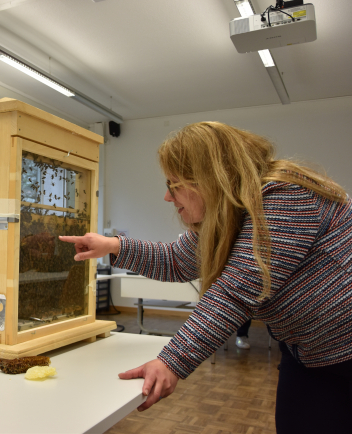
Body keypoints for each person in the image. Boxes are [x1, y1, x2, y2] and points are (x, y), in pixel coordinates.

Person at [60, 121, 352, 433]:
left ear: (209, 179)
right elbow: (175, 261)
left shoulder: (284, 197)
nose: (168, 197)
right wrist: (112, 246)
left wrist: (172, 361)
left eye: (174, 185)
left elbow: (234, 293)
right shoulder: (226, 216)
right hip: (309, 355)